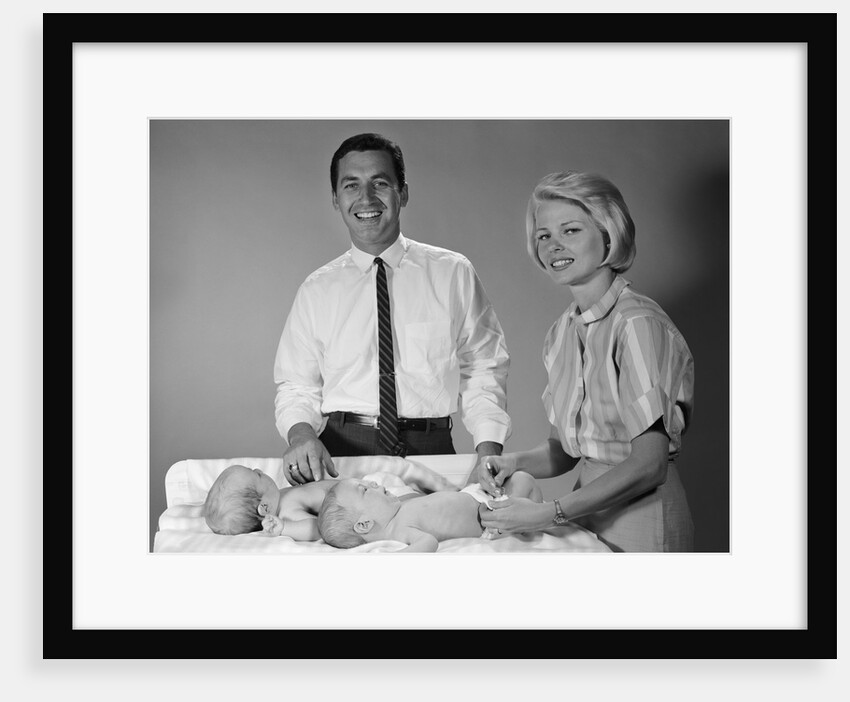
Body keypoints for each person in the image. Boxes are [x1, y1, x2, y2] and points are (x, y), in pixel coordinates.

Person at [274, 132, 510, 486]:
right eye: (351, 185)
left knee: (435, 539)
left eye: (379, 182)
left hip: (430, 450)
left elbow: (484, 367)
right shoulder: (316, 290)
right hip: (340, 455)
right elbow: (296, 384)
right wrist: (301, 436)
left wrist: (488, 448)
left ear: (403, 192)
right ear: (336, 200)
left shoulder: (452, 273)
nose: (366, 198)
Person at [475, 171, 695, 553]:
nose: (553, 246)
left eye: (571, 230)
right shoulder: (561, 332)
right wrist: (511, 462)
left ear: (608, 234)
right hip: (585, 510)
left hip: (641, 515)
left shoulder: (637, 324)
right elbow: (564, 451)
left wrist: (549, 513)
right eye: (543, 236)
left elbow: (648, 465)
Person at [317, 472, 542, 552]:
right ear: (364, 524)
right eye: (365, 490)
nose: (374, 484)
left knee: (514, 478)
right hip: (492, 515)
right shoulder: (399, 529)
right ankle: (538, 520)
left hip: (472, 493)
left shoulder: (398, 507)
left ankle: (538, 515)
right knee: (524, 481)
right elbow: (428, 542)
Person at [202, 464, 335, 539]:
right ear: (265, 507)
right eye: (257, 474)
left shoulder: (278, 497)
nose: (259, 470)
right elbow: (319, 528)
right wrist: (285, 528)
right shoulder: (288, 511)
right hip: (353, 503)